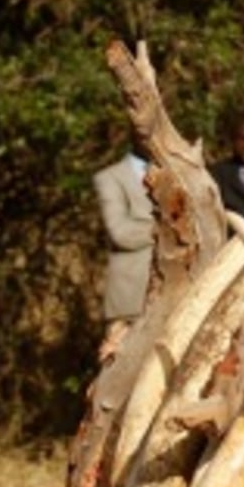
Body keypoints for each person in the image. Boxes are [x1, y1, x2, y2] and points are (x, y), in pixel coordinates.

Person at [92, 147, 154, 358]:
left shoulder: (178, 173)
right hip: (129, 302)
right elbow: (120, 232)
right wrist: (163, 228)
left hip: (172, 297)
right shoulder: (109, 178)